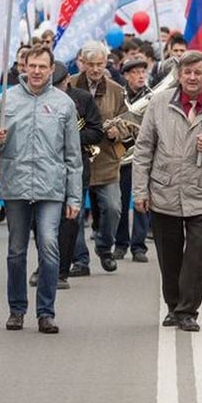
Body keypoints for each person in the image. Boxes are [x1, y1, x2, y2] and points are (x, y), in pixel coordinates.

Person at [132, 51, 202, 332]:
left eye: (198, 73)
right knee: (170, 256)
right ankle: (173, 306)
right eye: (187, 72)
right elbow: (144, 148)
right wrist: (140, 191)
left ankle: (188, 310)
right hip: (165, 191)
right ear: (179, 75)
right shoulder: (159, 103)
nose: (192, 78)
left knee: (197, 255)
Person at [0, 45, 81, 334]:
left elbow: (73, 155)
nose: (36, 71)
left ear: (51, 70)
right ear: (24, 67)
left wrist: (74, 196)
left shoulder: (64, 104)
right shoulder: (6, 100)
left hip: (51, 187)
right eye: (32, 66)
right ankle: (16, 309)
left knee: (49, 245)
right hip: (16, 186)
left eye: (42, 66)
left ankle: (46, 312)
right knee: (16, 250)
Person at [69, 41, 130, 274]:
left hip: (106, 160)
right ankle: (80, 260)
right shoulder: (69, 85)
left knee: (114, 208)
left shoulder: (116, 89)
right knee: (72, 212)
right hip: (76, 160)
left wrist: (119, 132)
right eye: (90, 64)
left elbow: (129, 121)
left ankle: (104, 248)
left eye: (100, 64)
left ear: (107, 63)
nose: (95, 69)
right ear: (82, 63)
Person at [50, 61, 102, 287]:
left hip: (75, 165)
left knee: (70, 219)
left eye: (59, 85)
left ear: (67, 81)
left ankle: (62, 270)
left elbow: (95, 131)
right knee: (46, 220)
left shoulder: (82, 99)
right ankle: (47, 264)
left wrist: (70, 137)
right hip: (47, 168)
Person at [115, 57, 151, 260]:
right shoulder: (120, 96)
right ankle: (120, 243)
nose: (140, 76)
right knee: (120, 201)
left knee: (142, 200)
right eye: (135, 72)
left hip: (143, 155)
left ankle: (139, 246)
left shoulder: (152, 96)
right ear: (127, 76)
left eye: (142, 72)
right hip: (124, 154)